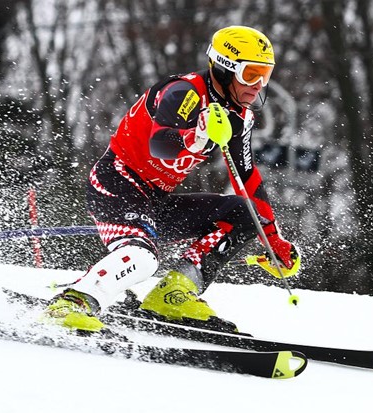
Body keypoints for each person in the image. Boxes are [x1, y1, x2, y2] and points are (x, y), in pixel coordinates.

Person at [44, 25, 300, 332]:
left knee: (246, 213)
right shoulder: (184, 92)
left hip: (155, 199)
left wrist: (273, 239)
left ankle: (173, 294)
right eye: (251, 74)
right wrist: (195, 138)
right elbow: (160, 143)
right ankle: (71, 302)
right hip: (117, 184)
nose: (258, 85)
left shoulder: (239, 114)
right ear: (224, 68)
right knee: (142, 258)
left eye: (265, 75)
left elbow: (246, 174)